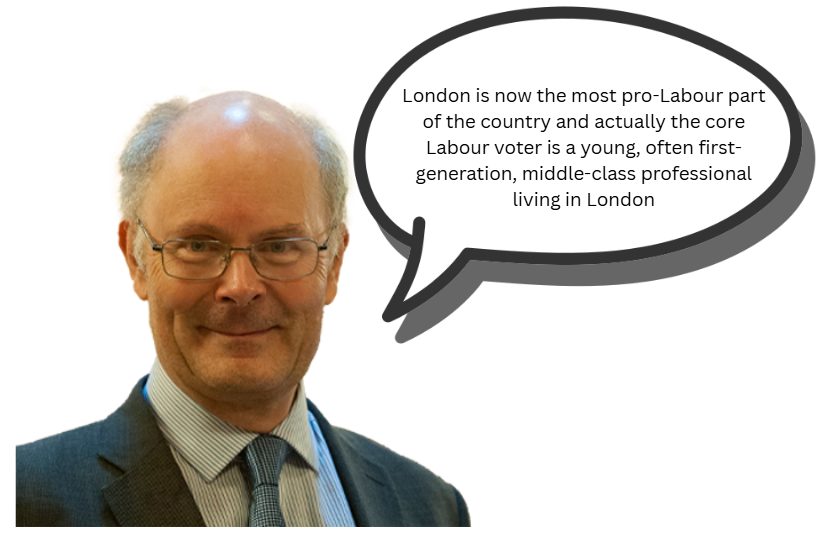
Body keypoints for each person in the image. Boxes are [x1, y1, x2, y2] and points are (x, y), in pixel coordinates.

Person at [16, 91, 469, 527]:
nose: (241, 287)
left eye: (281, 246)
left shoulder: (430, 508)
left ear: (334, 265)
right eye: (196, 244)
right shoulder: (21, 501)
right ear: (135, 258)